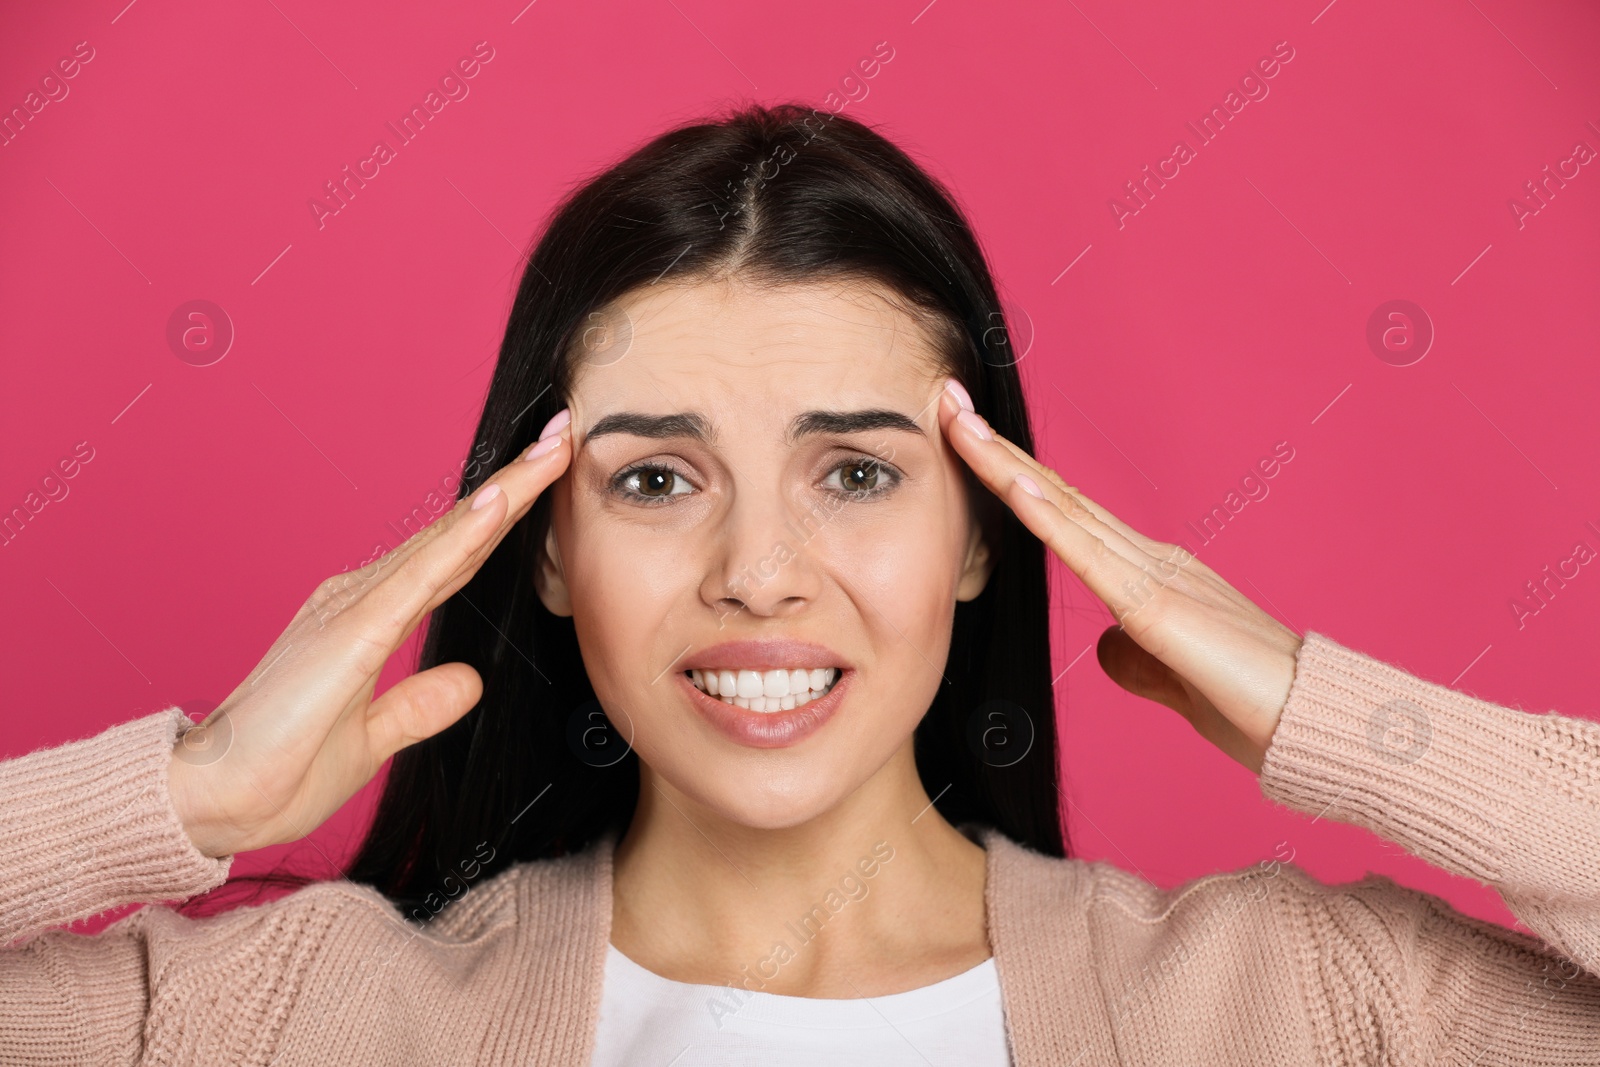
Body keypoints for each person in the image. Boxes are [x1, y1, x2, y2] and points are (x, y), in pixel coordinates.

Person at [2, 102, 1597, 1067]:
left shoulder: (1295, 1010)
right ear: (546, 548)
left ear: (981, 528)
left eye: (854, 473)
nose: (759, 574)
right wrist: (188, 789)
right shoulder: (301, 1022)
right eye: (651, 480)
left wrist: (1339, 718)